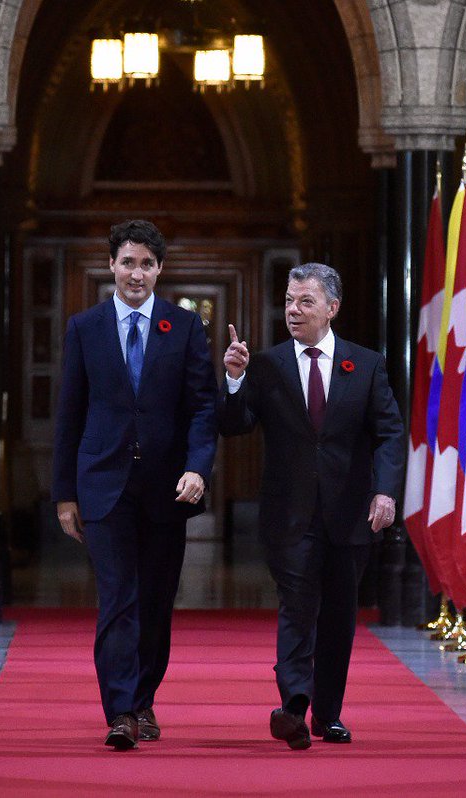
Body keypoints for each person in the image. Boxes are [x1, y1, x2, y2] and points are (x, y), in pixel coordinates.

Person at [219, 263, 404, 750]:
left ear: (331, 308)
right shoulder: (266, 364)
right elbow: (236, 424)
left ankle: (328, 713)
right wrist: (234, 379)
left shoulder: (365, 365)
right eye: (288, 301)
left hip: (351, 514)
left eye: (305, 302)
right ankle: (294, 706)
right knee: (297, 606)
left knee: (339, 617)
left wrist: (385, 491)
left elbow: (389, 433)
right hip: (289, 514)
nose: (293, 311)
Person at [52, 219, 217, 750]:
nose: (137, 273)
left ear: (160, 269)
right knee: (117, 598)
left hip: (167, 489)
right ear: (112, 266)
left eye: (147, 264)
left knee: (155, 601)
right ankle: (120, 711)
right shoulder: (85, 327)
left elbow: (201, 407)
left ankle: (144, 699)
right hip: (103, 487)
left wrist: (198, 466)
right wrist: (64, 495)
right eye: (128, 262)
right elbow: (68, 415)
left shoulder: (184, 328)